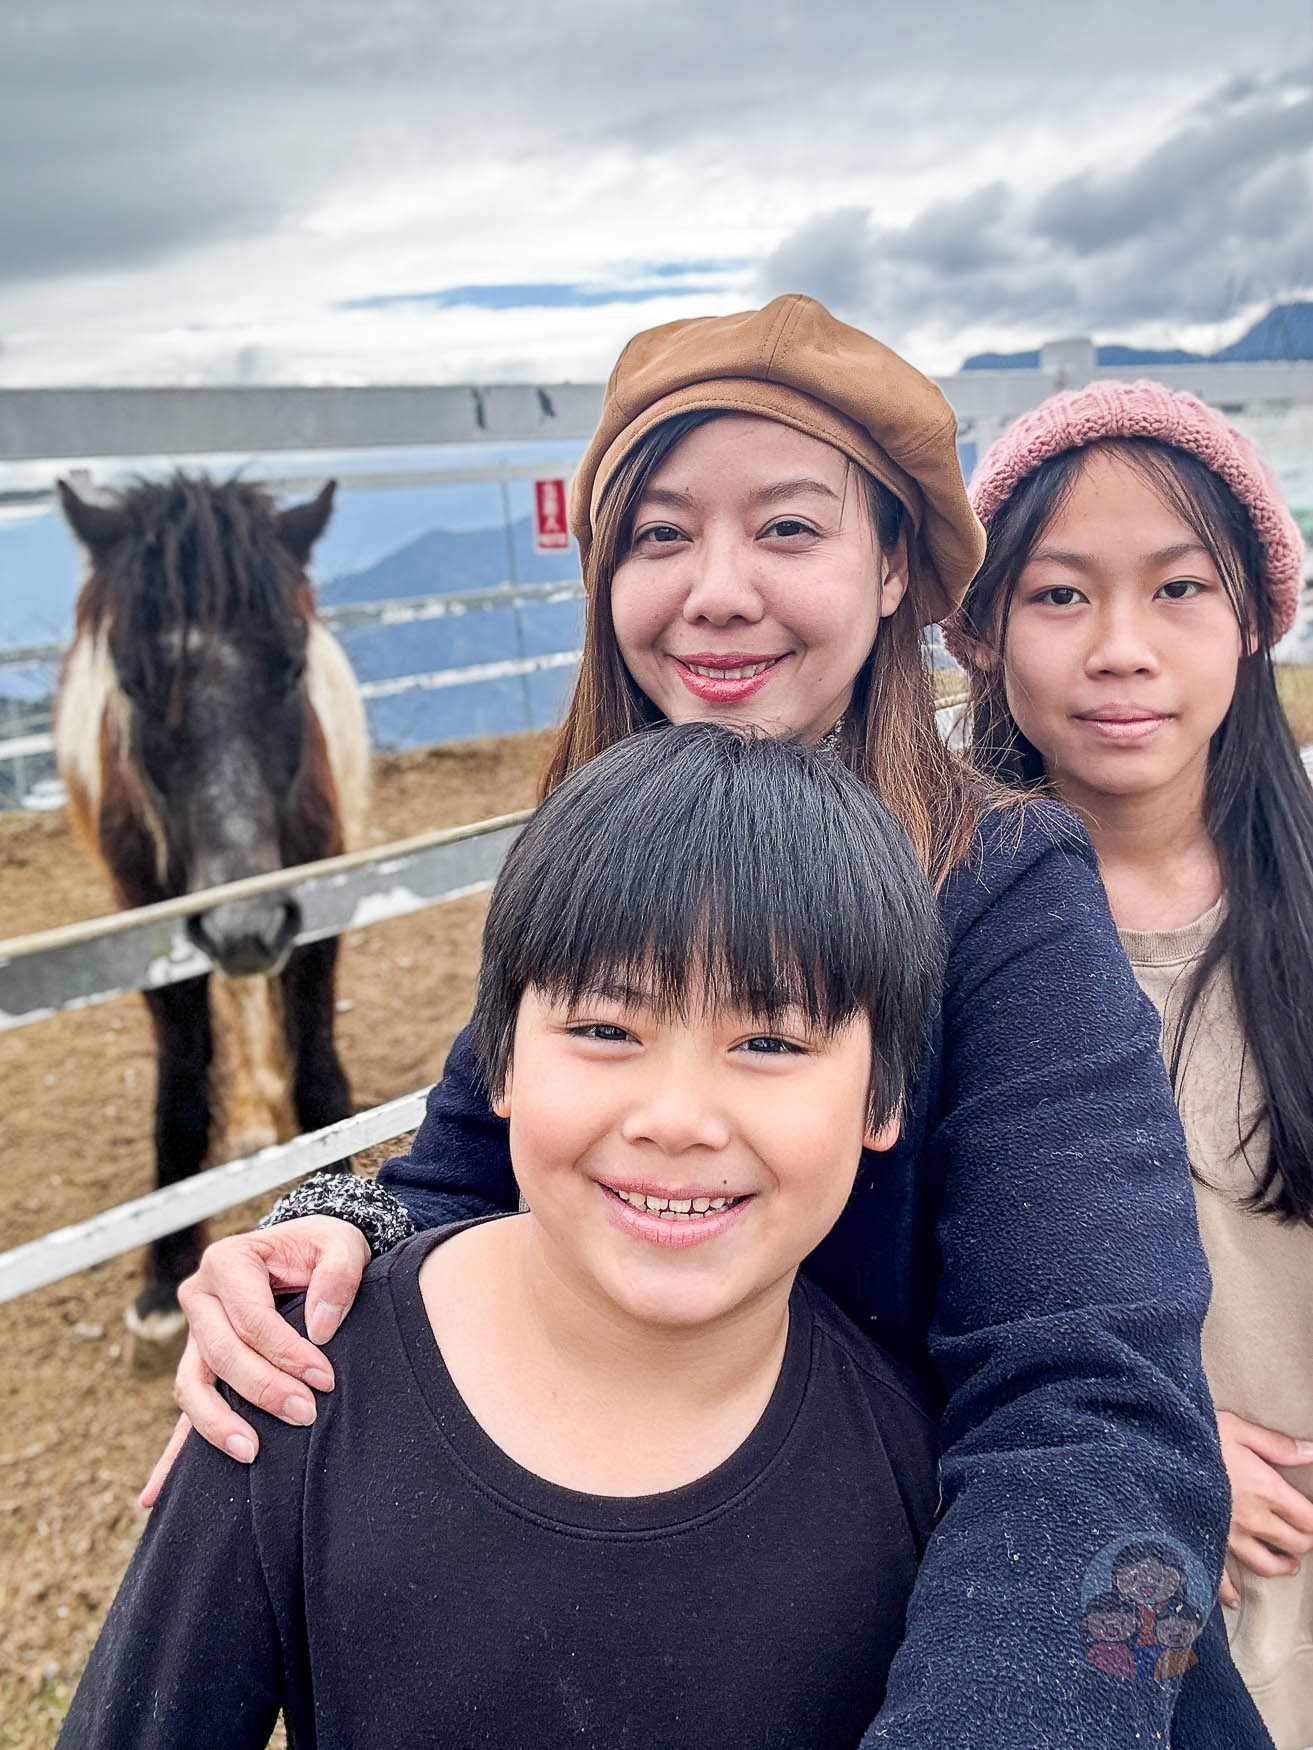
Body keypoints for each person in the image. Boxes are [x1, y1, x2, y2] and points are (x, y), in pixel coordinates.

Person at [147, 298, 1266, 1747]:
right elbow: (466, 1177)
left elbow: (1101, 1405)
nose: (716, 591)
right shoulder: (593, 853)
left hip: (959, 1635)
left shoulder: (1005, 892)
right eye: (659, 535)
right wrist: (324, 1239)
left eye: (788, 529)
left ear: (893, 572)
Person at [60, 724, 946, 1750]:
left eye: (768, 1041)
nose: (676, 1120)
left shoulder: (907, 1474)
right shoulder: (290, 1389)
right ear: (499, 1063)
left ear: (883, 1097)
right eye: (607, 1029)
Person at [944, 377, 1313, 1749]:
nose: (1119, 649)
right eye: (1057, 595)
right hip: (1120, 1579)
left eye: (1177, 589)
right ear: (978, 630)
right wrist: (1161, 1438)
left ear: (1254, 615)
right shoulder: (926, 931)